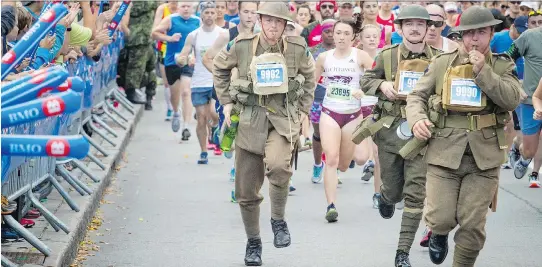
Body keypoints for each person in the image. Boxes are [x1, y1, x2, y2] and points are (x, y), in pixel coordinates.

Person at [406, 6, 521, 266]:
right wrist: (417, 120)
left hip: (485, 157)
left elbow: (512, 99)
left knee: (472, 226)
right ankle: (438, 231)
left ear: (492, 33)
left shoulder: (502, 65)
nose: (475, 39)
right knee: (442, 217)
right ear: (460, 36)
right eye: (469, 34)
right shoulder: (442, 63)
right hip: (444, 153)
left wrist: (484, 72)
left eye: (481, 32)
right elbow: (416, 96)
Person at [213, 2, 316, 265]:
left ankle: (278, 221)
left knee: (281, 167)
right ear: (259, 20)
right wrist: (226, 103)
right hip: (250, 119)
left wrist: (303, 111)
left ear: (285, 25)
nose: (273, 26)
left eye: (278, 22)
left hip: (282, 119)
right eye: (268, 20)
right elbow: (220, 68)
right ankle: (253, 242)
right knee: (246, 191)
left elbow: (310, 77)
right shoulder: (242, 45)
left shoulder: (297, 48)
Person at [357, 5, 442, 266]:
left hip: (423, 133)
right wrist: (381, 85)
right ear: (400, 28)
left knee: (416, 193)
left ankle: (402, 252)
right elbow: (366, 81)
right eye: (409, 24)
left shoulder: (441, 59)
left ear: (429, 28)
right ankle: (386, 197)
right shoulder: (387, 55)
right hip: (392, 131)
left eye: (420, 24)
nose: (415, 28)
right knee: (394, 191)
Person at [315, 15, 374, 222]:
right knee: (331, 158)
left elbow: (377, 80)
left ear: (353, 37)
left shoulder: (361, 57)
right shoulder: (324, 58)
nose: (341, 37)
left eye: (346, 33)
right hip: (330, 112)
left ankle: (345, 163)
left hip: (352, 116)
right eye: (338, 33)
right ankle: (331, 205)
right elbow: (311, 84)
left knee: (352, 161)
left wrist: (363, 92)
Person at [202, 0, 259, 203]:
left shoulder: (263, 36)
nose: (250, 16)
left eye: (254, 12)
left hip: (254, 96)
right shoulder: (228, 35)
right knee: (237, 138)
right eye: (246, 11)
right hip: (232, 95)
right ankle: (225, 135)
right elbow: (208, 58)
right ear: (239, 13)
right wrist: (225, 77)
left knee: (251, 139)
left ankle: (247, 179)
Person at [176, 2, 224, 164]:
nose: (210, 15)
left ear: (216, 14)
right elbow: (182, 56)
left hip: (217, 80)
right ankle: (203, 151)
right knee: (202, 118)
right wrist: (183, 59)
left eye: (212, 12)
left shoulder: (222, 34)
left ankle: (216, 128)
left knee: (214, 114)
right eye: (207, 13)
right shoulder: (194, 35)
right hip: (199, 81)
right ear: (201, 15)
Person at [152, 2, 200, 139]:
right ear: (178, 8)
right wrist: (169, 38)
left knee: (186, 92)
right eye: (183, 6)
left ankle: (186, 126)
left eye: (188, 6)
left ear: (193, 8)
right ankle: (175, 112)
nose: (186, 8)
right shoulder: (171, 19)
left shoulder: (197, 21)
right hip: (172, 62)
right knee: (175, 94)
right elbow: (154, 33)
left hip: (188, 62)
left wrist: (195, 56)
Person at [507, 11, 542, 186]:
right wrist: (515, 85)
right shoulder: (529, 36)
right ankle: (519, 151)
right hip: (530, 101)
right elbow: (506, 59)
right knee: (529, 151)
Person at [116, 1, 158, 110]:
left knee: (150, 67)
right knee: (135, 66)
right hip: (137, 38)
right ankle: (131, 91)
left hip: (146, 38)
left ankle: (148, 95)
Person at [309, 18, 335, 184]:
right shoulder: (313, 51)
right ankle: (318, 164)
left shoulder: (343, 51)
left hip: (337, 101)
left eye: (334, 31)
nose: (331, 35)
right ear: (321, 33)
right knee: (318, 135)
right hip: (318, 99)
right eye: (327, 31)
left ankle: (333, 168)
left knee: (335, 136)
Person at [153, 1, 178, 120]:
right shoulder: (162, 9)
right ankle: (170, 108)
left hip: (182, 50)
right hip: (165, 49)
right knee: (168, 82)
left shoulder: (185, 8)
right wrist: (167, 31)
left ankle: (177, 109)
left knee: (183, 83)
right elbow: (154, 31)